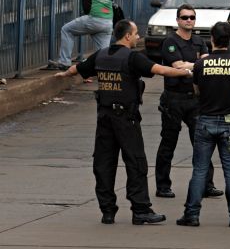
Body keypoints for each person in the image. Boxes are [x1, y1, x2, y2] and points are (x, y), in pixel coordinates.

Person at [54, 19, 192, 225]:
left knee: (104, 164)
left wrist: (63, 73)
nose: (138, 37)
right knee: (136, 163)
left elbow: (78, 69)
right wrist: (187, 71)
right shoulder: (132, 57)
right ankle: (141, 210)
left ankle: (107, 211)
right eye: (136, 34)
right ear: (127, 36)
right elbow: (162, 70)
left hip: (104, 119)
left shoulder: (101, 55)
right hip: (126, 119)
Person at [177, 22, 230, 228]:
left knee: (199, 170)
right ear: (229, 40)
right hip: (228, 120)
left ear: (212, 39)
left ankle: (191, 215)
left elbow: (197, 90)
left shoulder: (201, 64)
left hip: (205, 120)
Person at [155, 4, 222, 200]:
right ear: (177, 20)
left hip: (194, 99)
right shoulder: (170, 41)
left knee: (202, 143)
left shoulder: (199, 41)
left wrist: (192, 66)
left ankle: (207, 184)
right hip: (173, 99)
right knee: (169, 143)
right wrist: (197, 65)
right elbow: (177, 66)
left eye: (192, 17)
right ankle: (163, 185)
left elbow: (205, 63)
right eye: (185, 17)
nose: (189, 21)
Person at [37, 0, 114, 71]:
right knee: (103, 55)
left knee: (66, 30)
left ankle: (64, 62)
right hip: (108, 21)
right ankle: (107, 70)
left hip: (94, 18)